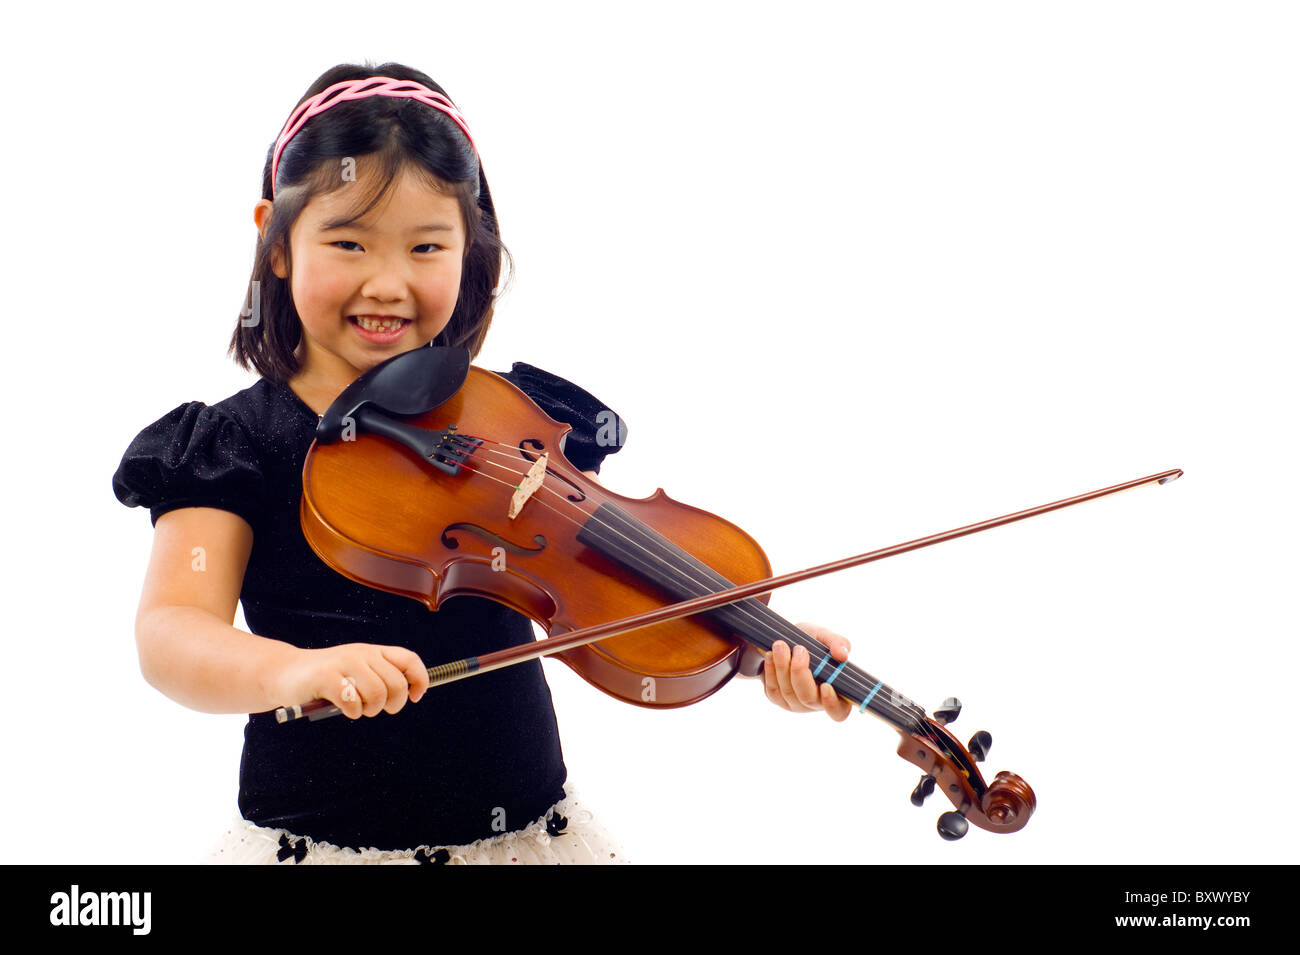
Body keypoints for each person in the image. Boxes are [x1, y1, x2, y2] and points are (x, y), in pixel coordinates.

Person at [112, 62, 851, 865]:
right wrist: (294, 671)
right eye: (348, 241)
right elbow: (172, 632)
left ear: (470, 248)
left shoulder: (514, 422)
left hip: (522, 841)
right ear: (276, 240)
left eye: (427, 245)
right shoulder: (232, 446)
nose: (387, 283)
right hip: (318, 844)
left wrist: (750, 636)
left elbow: (607, 590)